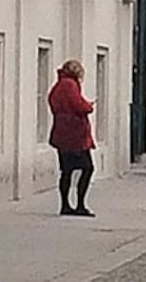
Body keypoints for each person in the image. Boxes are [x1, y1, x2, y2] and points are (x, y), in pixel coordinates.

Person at [48, 60, 97, 217]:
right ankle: (80, 204)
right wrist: (88, 106)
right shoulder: (70, 85)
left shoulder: (59, 85)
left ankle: (65, 204)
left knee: (67, 171)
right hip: (75, 135)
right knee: (88, 168)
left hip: (62, 132)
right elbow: (78, 105)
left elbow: (53, 101)